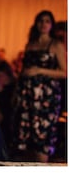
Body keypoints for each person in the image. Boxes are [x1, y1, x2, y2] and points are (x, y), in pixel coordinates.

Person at [13, 10, 67, 162]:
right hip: (27, 93)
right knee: (26, 135)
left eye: (47, 21)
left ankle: (43, 168)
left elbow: (65, 72)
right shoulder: (30, 44)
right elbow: (24, 69)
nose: (43, 24)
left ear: (52, 25)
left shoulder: (55, 44)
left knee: (42, 134)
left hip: (46, 97)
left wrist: (39, 70)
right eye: (41, 21)